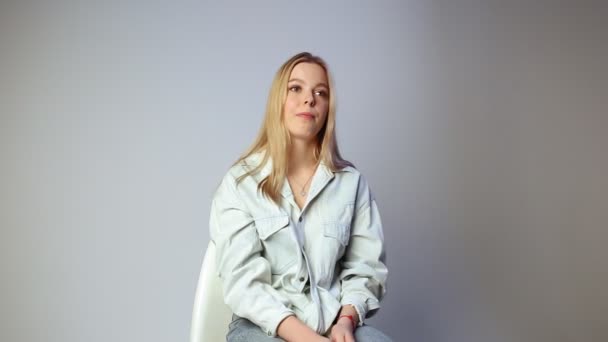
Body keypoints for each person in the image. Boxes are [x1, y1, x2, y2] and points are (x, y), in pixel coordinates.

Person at [209, 52, 391, 342]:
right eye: (296, 88)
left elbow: (365, 269)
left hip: (333, 323)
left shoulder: (352, 185)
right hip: (262, 328)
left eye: (321, 92)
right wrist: (305, 338)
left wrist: (345, 322)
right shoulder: (240, 183)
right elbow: (243, 282)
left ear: (329, 108)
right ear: (277, 101)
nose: (310, 99)